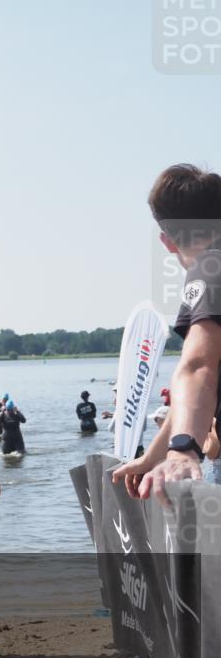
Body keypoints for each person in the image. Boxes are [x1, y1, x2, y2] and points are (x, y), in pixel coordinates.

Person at [113, 164, 221, 503]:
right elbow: (194, 390)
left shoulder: (210, 268)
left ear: (167, 240)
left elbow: (199, 367)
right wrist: (156, 454)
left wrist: (183, 449)